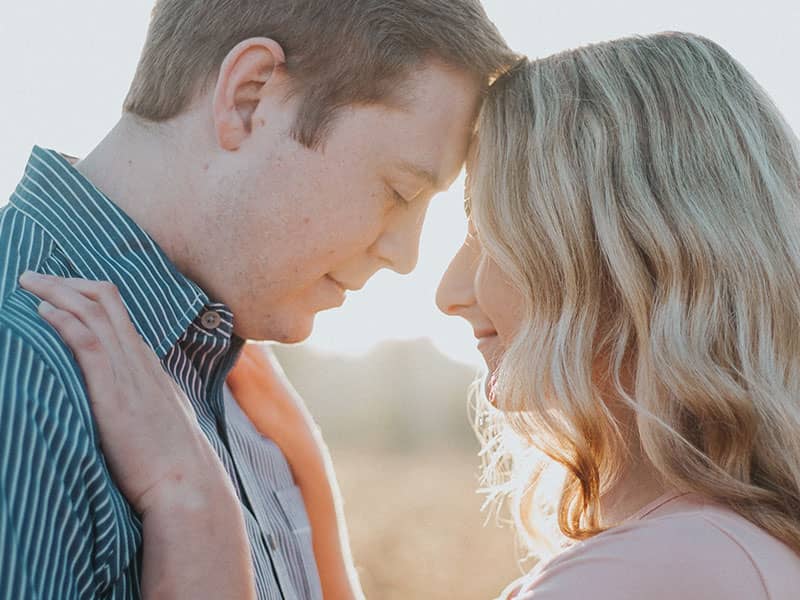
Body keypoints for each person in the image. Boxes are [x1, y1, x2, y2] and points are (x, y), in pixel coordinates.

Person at [20, 30, 800, 599]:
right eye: (400, 190)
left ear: (626, 259)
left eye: (490, 233)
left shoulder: (655, 575)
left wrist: (196, 512)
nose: (433, 280)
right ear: (248, 95)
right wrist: (309, 502)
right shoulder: (734, 545)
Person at [0, 1, 516, 598]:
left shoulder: (234, 381)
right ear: (249, 97)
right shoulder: (22, 372)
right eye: (399, 189)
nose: (405, 256)